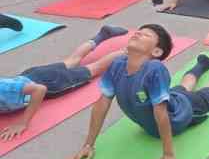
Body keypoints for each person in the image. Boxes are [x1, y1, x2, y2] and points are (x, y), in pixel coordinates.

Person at [69, 25, 209, 159]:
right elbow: (102, 103)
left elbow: (160, 112)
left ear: (157, 52)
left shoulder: (154, 68)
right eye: (139, 32)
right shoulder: (117, 65)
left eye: (146, 35)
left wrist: (168, 155)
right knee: (183, 87)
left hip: (186, 112)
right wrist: (88, 144)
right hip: (173, 101)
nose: (138, 34)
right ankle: (203, 63)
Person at [0, 25, 129, 141]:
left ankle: (130, 51)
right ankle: (102, 35)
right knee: (72, 61)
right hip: (34, 75)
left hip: (51, 82)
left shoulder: (4, 89)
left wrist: (23, 123)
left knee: (94, 68)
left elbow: (39, 90)